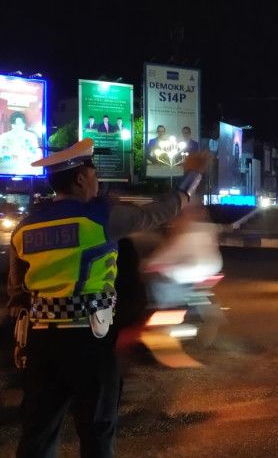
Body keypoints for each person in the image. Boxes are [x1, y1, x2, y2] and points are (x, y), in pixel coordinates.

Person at [6, 138, 210, 457]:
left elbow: (17, 293)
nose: (97, 180)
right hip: (89, 342)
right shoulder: (100, 218)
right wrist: (192, 175)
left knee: (38, 434)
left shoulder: (24, 226)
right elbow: (163, 210)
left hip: (41, 342)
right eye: (93, 173)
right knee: (97, 432)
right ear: (80, 178)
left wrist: (22, 344)